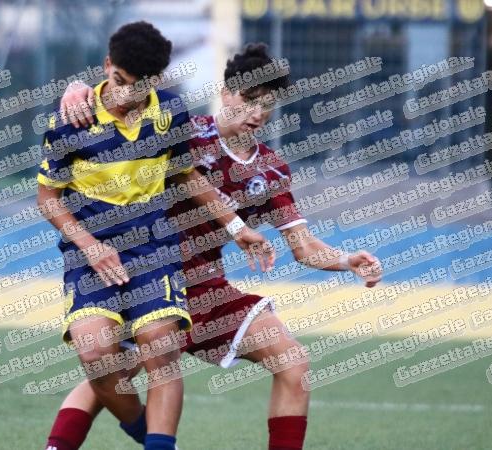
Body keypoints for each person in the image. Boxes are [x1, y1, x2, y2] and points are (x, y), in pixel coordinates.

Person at [46, 43, 383, 450]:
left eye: (267, 105)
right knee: (105, 377)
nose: (257, 112)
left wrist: (347, 260)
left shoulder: (270, 170)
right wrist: (78, 89)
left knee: (293, 362)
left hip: (207, 291)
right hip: (150, 282)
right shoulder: (180, 130)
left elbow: (304, 246)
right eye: (249, 99)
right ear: (225, 93)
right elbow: (123, 98)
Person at [37, 23, 275, 450]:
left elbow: (185, 174)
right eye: (119, 81)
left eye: (138, 86)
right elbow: (48, 199)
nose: (125, 94)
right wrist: (91, 247)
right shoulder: (71, 121)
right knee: (96, 356)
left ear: (157, 81)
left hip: (153, 248)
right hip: (90, 255)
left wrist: (236, 227)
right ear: (107, 66)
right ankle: (149, 434)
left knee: (159, 349)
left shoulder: (170, 113)